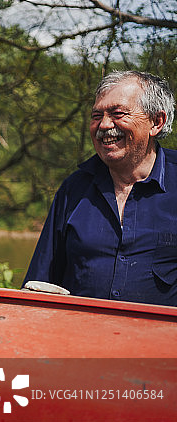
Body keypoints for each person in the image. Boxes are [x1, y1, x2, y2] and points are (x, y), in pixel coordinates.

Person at [24, 70, 177, 306]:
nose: (104, 125)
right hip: (80, 329)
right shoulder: (74, 188)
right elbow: (39, 284)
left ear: (156, 122)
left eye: (118, 114)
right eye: (96, 116)